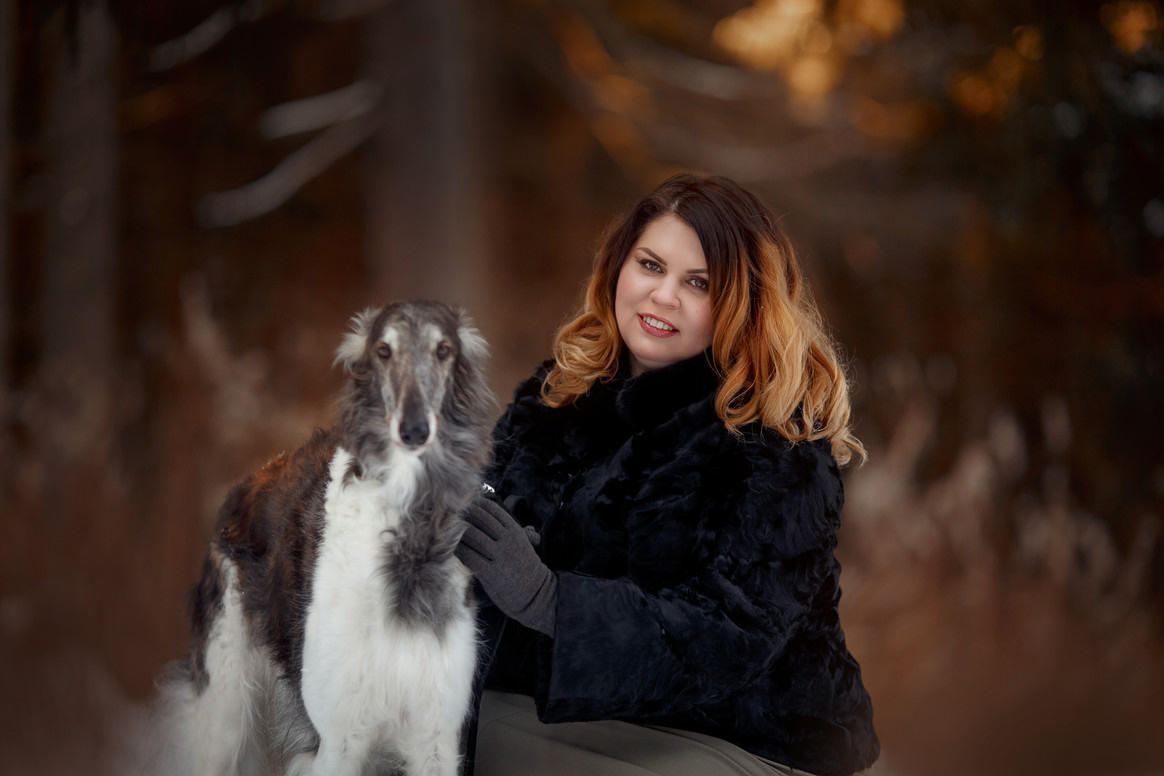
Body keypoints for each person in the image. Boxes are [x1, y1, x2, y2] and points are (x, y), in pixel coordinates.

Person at [455, 173, 879, 776]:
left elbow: (731, 634)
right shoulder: (555, 402)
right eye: (650, 266)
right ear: (617, 270)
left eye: (698, 283)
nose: (663, 296)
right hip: (568, 724)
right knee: (396, 731)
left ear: (742, 304)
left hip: (739, 745)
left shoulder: (776, 446)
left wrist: (551, 601)